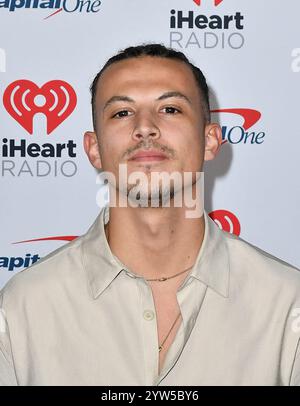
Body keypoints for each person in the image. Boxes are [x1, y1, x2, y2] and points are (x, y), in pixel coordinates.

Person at [0, 43, 300, 386]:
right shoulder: (23, 306)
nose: (145, 127)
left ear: (211, 140)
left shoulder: (287, 303)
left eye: (170, 109)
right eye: (122, 113)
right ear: (94, 149)